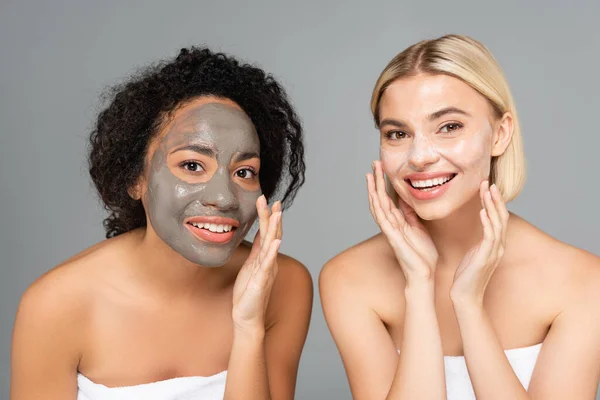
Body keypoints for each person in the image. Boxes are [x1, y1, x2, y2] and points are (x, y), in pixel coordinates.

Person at [11, 47, 313, 400]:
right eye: (192, 165)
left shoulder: (283, 285)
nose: (225, 197)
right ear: (135, 178)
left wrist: (248, 327)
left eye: (244, 172)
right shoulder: (56, 305)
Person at [320, 34, 600, 400]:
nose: (419, 156)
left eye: (449, 126)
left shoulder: (583, 281)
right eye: (397, 133)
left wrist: (469, 307)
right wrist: (419, 287)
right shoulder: (348, 278)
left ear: (500, 135)